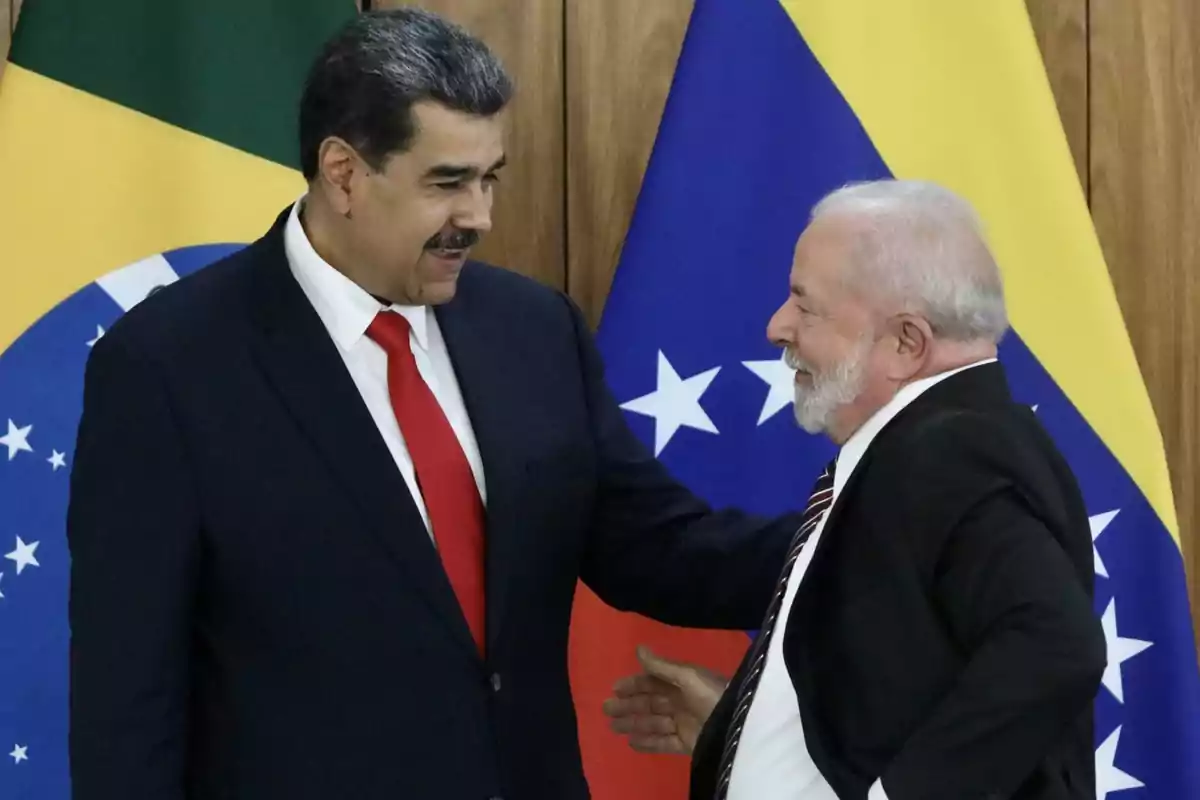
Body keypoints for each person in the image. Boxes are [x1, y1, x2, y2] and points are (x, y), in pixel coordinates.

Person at [64, 9, 805, 800]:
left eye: (489, 179)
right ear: (343, 173)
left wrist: (865, 535)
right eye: (447, 183)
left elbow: (656, 546)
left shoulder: (532, 329)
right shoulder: (168, 367)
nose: (479, 217)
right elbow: (127, 700)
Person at [603, 179, 1107, 800]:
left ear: (906, 342)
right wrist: (738, 726)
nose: (776, 327)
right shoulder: (926, 450)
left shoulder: (952, 454)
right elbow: (896, 673)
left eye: (805, 306)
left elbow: (1057, 645)